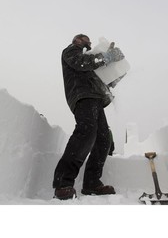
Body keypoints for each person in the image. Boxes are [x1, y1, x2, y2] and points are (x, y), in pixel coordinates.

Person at [53, 34, 124, 200]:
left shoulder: (91, 59)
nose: (88, 42)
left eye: (88, 41)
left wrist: (117, 68)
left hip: (96, 98)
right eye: (84, 40)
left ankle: (92, 183)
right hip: (82, 95)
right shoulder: (71, 52)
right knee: (86, 131)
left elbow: (107, 80)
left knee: (103, 139)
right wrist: (106, 57)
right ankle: (63, 182)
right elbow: (82, 63)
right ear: (77, 41)